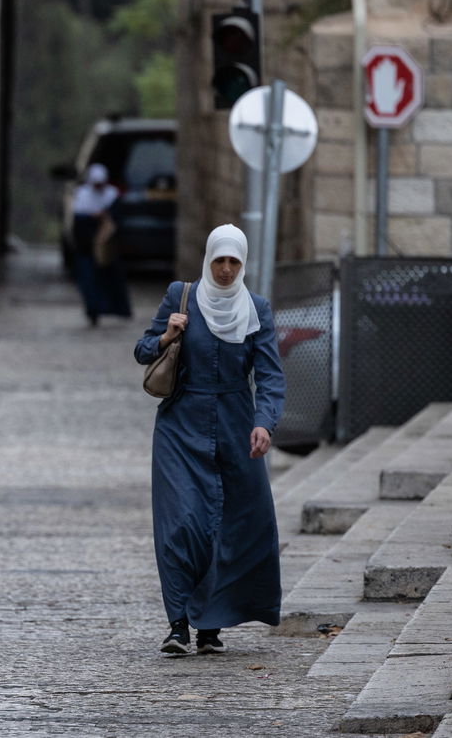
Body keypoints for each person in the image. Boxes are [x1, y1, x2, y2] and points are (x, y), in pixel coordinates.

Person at [134, 223, 283, 655]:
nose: (224, 269)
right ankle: (178, 624)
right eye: (218, 260)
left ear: (243, 264)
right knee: (181, 523)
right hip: (181, 425)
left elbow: (270, 375)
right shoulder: (180, 296)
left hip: (237, 428)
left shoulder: (257, 309)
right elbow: (143, 351)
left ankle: (210, 626)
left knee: (229, 526)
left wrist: (264, 422)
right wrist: (167, 335)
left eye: (233, 261)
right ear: (208, 259)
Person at [71, 163, 131, 325]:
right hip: (86, 247)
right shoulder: (82, 196)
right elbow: (78, 224)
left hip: (107, 248)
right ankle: (93, 311)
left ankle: (118, 309)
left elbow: (117, 218)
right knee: (89, 282)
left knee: (111, 279)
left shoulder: (111, 195)